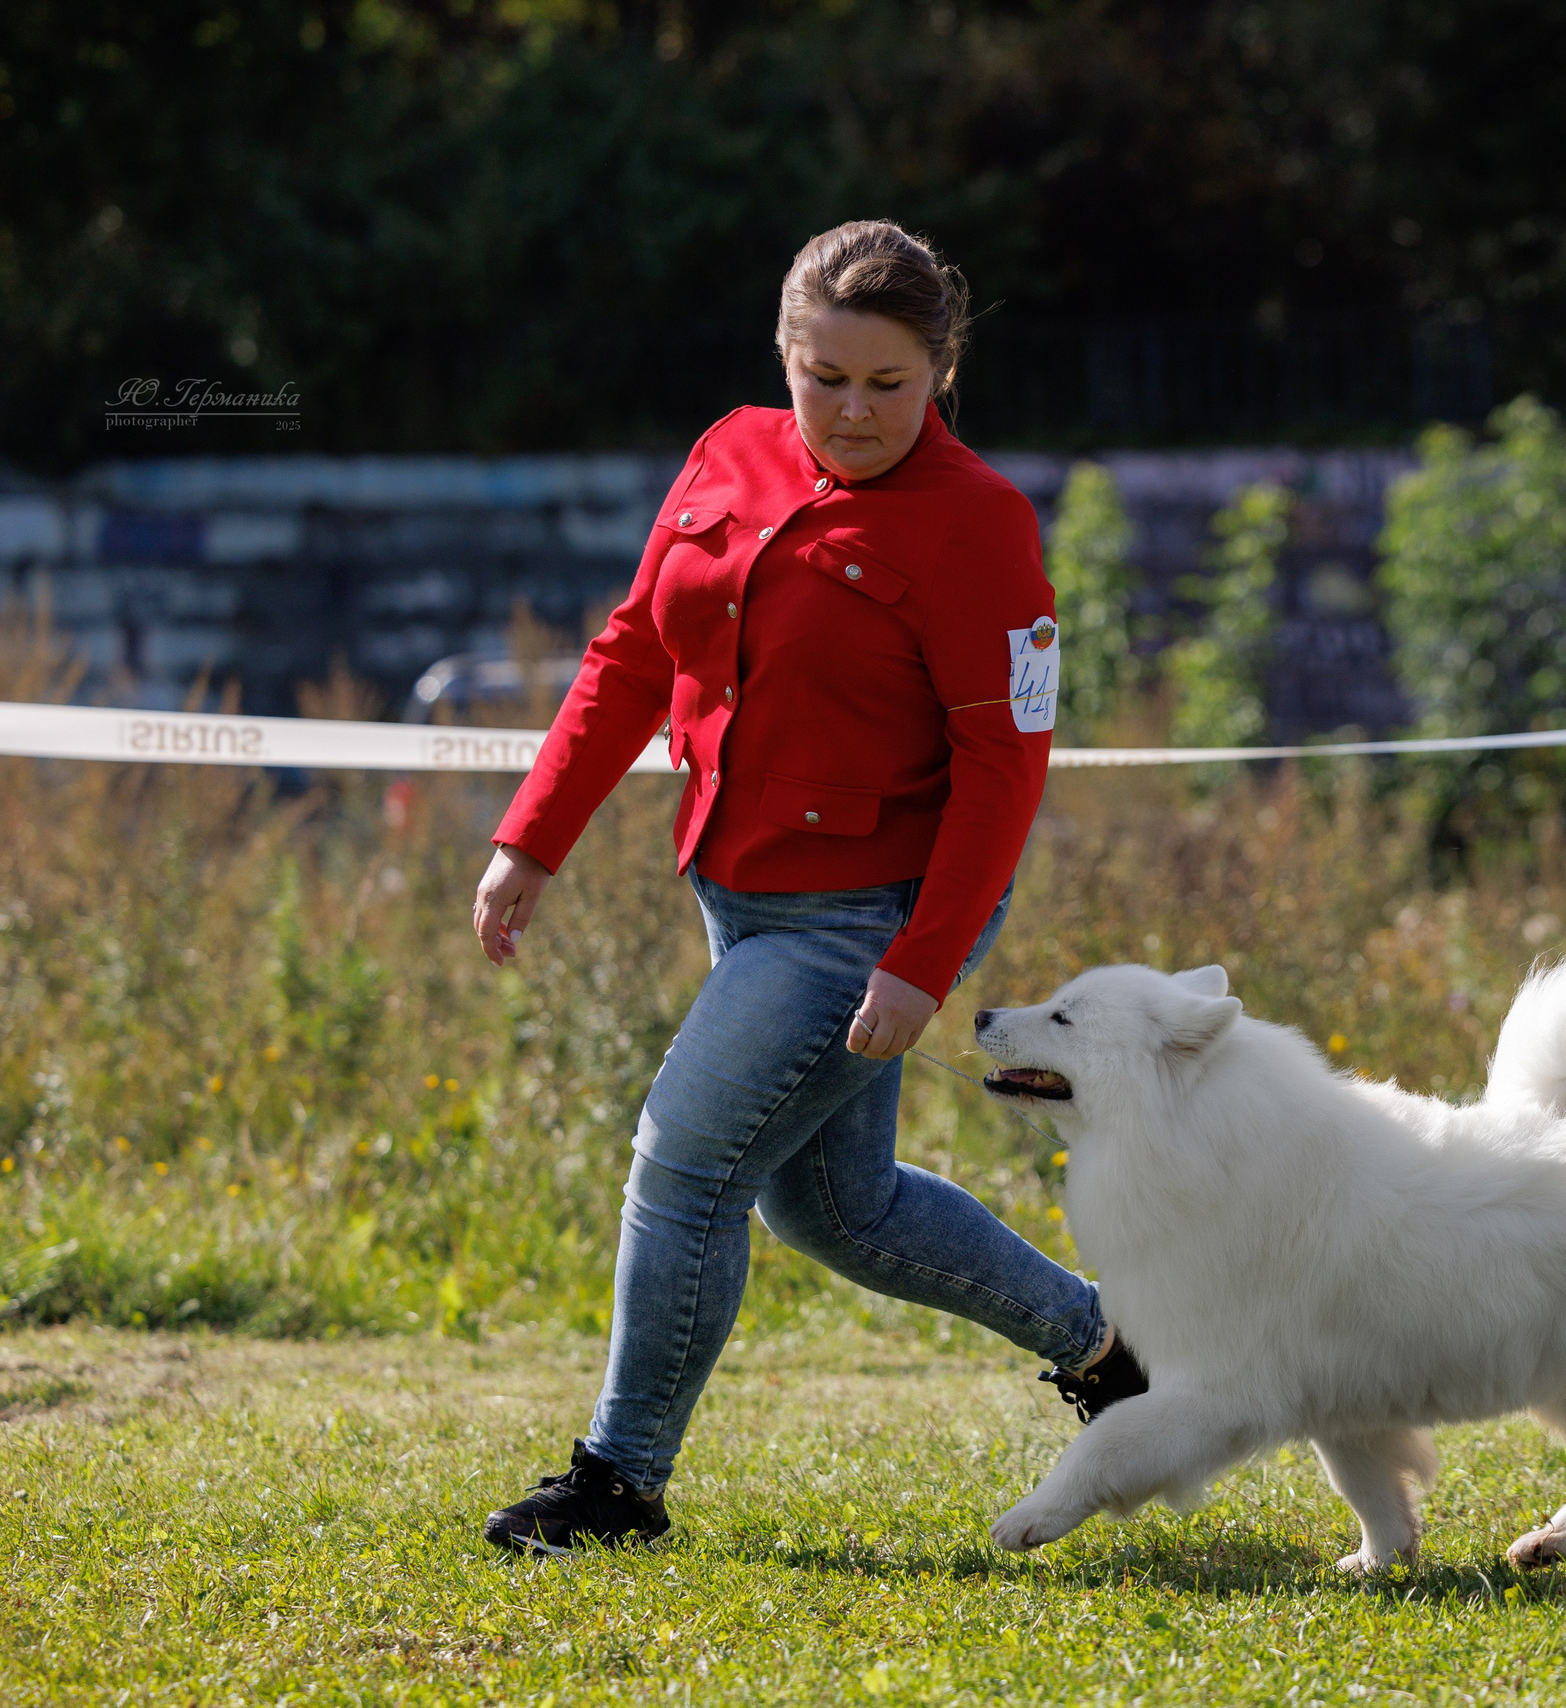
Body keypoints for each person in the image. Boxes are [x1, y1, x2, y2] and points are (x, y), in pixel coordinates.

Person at [469, 220, 1144, 1556]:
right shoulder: (730, 447)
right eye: (820, 375)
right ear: (783, 353)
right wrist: (531, 838)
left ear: (943, 368)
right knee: (840, 1209)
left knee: (687, 1159)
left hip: (868, 917)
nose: (848, 411)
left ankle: (617, 1484)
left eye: (886, 384)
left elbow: (1003, 773)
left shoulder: (982, 527)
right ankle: (1118, 1357)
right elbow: (627, 653)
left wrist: (922, 963)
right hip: (737, 892)